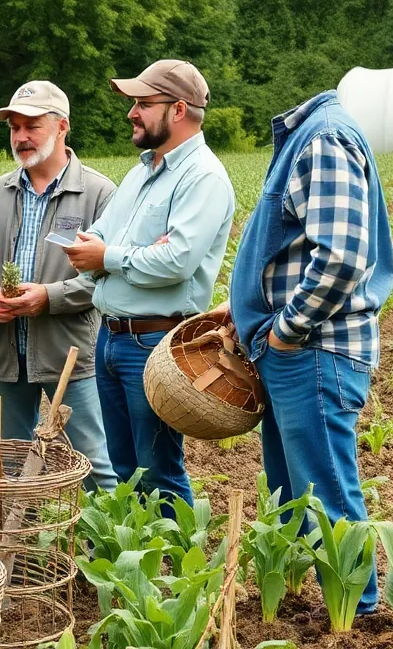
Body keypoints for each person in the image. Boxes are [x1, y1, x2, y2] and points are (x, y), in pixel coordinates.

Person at [220, 89, 393, 615]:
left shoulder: (323, 138)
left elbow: (341, 256)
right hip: (298, 350)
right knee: (296, 490)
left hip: (314, 349)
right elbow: (290, 248)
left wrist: (285, 331)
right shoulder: (310, 135)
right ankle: (314, 596)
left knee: (327, 491)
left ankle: (355, 613)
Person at [65, 60, 234, 507]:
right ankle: (134, 568)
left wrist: (110, 258)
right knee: (122, 469)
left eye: (142, 103)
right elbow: (99, 233)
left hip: (155, 341)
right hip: (111, 337)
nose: (131, 113)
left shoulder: (203, 176)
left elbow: (176, 260)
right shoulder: (143, 171)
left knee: (158, 469)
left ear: (178, 110)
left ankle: (182, 573)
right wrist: (114, 255)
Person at [0, 81, 118, 492]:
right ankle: (20, 551)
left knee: (93, 466)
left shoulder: (99, 194)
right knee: (12, 466)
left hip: (69, 352)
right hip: (6, 351)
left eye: (31, 125)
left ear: (62, 126)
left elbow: (107, 277)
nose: (21, 136)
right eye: (14, 127)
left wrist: (47, 298)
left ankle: (103, 550)